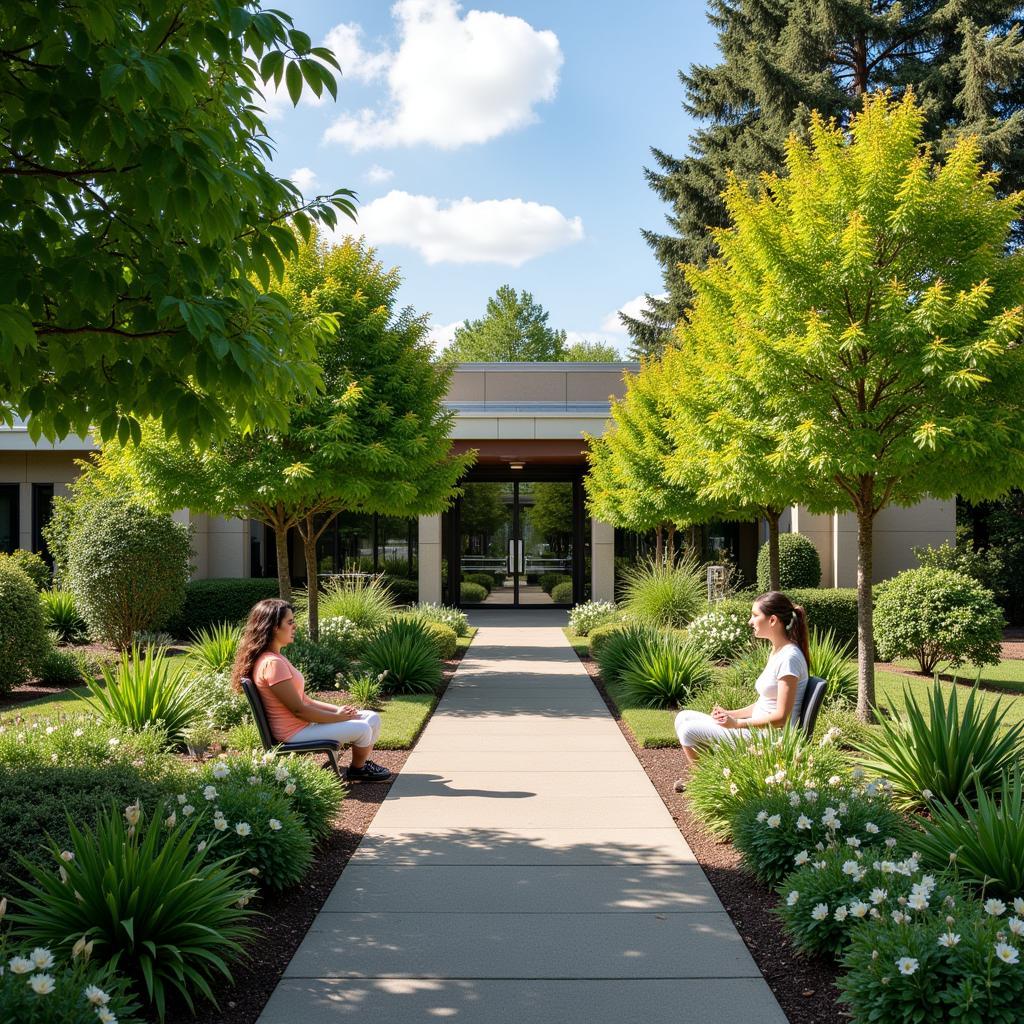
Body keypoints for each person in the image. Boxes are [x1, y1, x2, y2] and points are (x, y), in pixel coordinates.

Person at [231, 598, 392, 782]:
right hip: (293, 733)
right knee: (362, 728)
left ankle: (359, 768)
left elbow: (305, 700)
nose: (295, 627)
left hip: (302, 726)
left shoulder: (275, 658)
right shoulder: (272, 664)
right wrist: (338, 717)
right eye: (290, 622)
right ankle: (359, 769)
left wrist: (339, 711)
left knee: (371, 718)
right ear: (274, 627)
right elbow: (299, 710)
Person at [673, 591, 809, 789]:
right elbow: (764, 703)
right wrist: (730, 714)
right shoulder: (778, 652)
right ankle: (711, 778)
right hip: (760, 731)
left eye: (755, 615)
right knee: (683, 717)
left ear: (772, 620)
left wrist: (736, 724)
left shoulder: (789, 658)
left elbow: (781, 717)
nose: (750, 621)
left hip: (771, 739)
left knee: (688, 730)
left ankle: (705, 785)